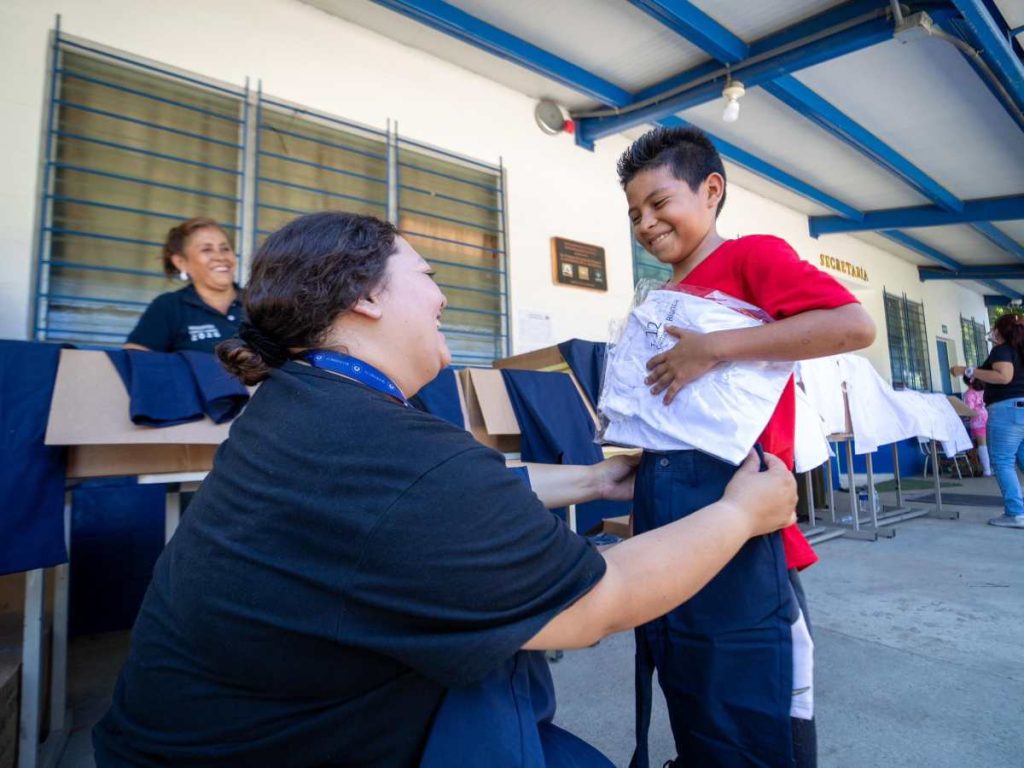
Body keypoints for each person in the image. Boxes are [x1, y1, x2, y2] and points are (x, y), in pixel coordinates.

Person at [92, 211, 799, 767]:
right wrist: (741, 514)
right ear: (366, 295)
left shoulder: (301, 405)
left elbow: (445, 500)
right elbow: (596, 603)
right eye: (426, 275)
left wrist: (592, 478)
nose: (443, 296)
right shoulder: (388, 452)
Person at [617, 126, 877, 768]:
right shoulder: (661, 299)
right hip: (670, 504)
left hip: (742, 505)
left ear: (711, 191)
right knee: (686, 670)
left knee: (757, 690)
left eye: (659, 203)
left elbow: (853, 325)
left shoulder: (750, 258)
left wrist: (715, 347)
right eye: (634, 213)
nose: (646, 224)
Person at [123, 217, 245, 352]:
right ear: (181, 262)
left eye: (225, 249)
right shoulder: (168, 307)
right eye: (206, 250)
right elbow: (134, 359)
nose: (221, 257)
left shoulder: (258, 304)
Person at [952, 314, 1024, 528]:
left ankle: (1016, 513)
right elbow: (987, 378)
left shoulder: (1002, 350)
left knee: (1002, 462)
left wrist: (968, 370)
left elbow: (1004, 376)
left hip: (1007, 411)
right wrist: (975, 373)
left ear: (1001, 331)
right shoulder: (1019, 351)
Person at [962, 375, 991, 476]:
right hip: (987, 417)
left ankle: (987, 470)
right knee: (988, 444)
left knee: (982, 445)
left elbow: (969, 410)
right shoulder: (983, 391)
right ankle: (991, 467)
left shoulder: (969, 394)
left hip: (977, 420)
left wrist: (964, 416)